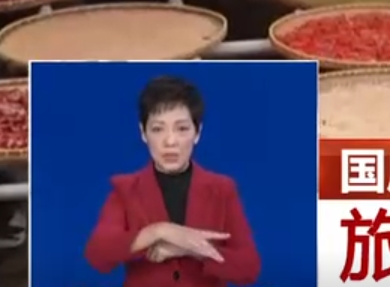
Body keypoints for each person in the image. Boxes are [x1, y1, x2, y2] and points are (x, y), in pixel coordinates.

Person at [84, 75, 261, 286]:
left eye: (182, 128)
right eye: (158, 129)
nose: (170, 141)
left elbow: (249, 268)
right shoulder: (125, 189)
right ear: (143, 133)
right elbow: (98, 255)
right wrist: (160, 231)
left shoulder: (222, 189)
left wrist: (190, 248)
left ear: (197, 133)